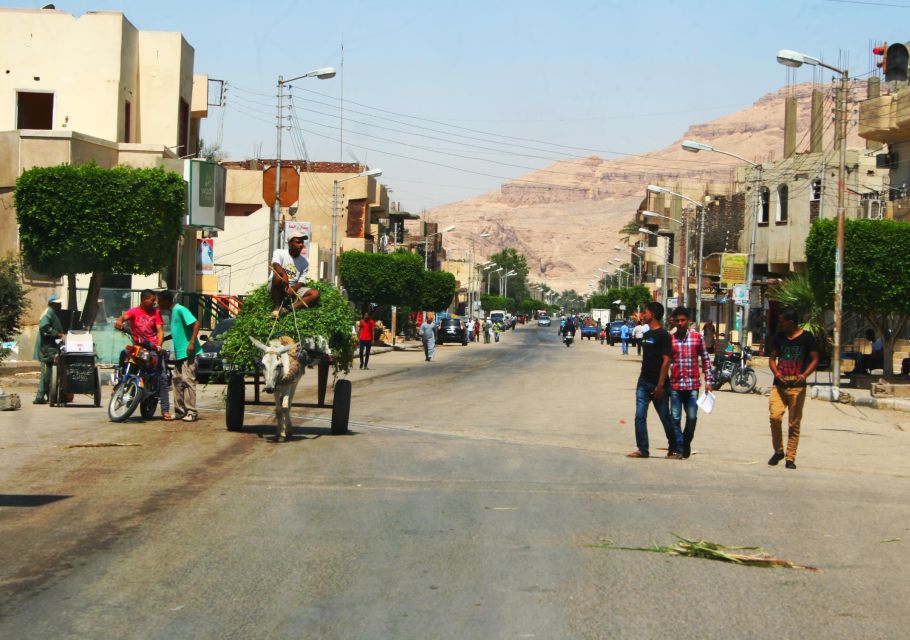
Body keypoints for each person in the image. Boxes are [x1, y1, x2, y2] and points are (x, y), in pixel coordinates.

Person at [767, 308, 820, 470]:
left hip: (797, 387)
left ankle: (790, 457)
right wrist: (777, 372)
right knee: (775, 417)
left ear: (791, 322)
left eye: (782, 322)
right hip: (779, 385)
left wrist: (804, 375)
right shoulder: (779, 337)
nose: (779, 325)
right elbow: (772, 358)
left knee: (793, 423)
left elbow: (815, 359)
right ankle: (778, 451)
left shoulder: (807, 337)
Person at [628, 302, 675, 459]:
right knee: (639, 416)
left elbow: (666, 361)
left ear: (652, 315)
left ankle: (673, 448)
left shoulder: (664, 336)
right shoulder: (646, 335)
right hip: (643, 382)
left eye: (645, 312)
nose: (642, 315)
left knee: (664, 417)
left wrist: (660, 385)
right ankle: (643, 449)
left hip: (659, 384)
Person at [115, 289, 171, 420]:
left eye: (155, 300)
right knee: (124, 355)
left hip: (152, 348)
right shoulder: (133, 311)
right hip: (138, 346)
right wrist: (119, 322)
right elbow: (122, 318)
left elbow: (160, 331)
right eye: (152, 300)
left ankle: (165, 410)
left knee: (162, 376)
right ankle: (121, 384)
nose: (155, 303)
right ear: (144, 299)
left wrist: (159, 345)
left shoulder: (156, 313)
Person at [668, 307, 713, 459]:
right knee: (675, 418)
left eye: (683, 320)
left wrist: (709, 380)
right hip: (675, 385)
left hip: (692, 386)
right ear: (673, 321)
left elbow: (706, 359)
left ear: (688, 321)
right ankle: (680, 448)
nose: (680, 323)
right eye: (677, 320)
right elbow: (665, 362)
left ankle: (686, 442)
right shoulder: (670, 338)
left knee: (692, 418)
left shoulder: (697, 337)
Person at [156, 290, 201, 422]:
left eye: (159, 300)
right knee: (177, 381)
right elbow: (178, 332)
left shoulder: (180, 309)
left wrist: (192, 342)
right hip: (179, 354)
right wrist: (164, 339)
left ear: (165, 300)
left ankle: (191, 412)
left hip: (188, 352)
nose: (158, 303)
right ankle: (180, 411)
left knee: (188, 381)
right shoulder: (172, 313)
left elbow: (196, 323)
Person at [269, 231, 320, 318]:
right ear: (290, 243)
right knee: (278, 276)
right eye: (298, 242)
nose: (301, 245)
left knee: (315, 293)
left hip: (293, 288)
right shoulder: (280, 253)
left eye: (302, 242)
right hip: (278, 285)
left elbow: (302, 280)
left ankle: (288, 309)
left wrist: (294, 289)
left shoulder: (305, 261)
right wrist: (284, 275)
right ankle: (277, 308)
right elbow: (275, 264)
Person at [33, 294, 65, 404]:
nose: (61, 305)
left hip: (50, 347)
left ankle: (48, 395)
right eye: (58, 303)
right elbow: (44, 328)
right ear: (53, 304)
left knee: (50, 372)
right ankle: (39, 397)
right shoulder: (48, 313)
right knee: (46, 373)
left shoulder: (52, 312)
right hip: (46, 348)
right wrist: (58, 334)